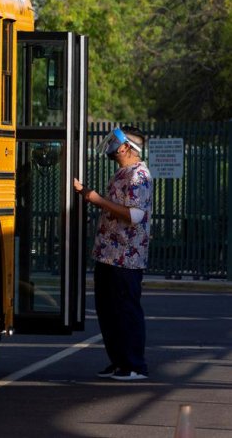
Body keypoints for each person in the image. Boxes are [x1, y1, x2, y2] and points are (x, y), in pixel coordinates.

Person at [73, 125, 153, 381]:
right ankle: (119, 362)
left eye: (114, 142)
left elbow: (135, 215)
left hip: (126, 258)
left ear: (126, 147)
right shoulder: (122, 173)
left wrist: (96, 199)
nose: (110, 146)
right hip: (108, 254)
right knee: (108, 312)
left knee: (126, 311)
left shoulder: (139, 175)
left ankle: (134, 365)